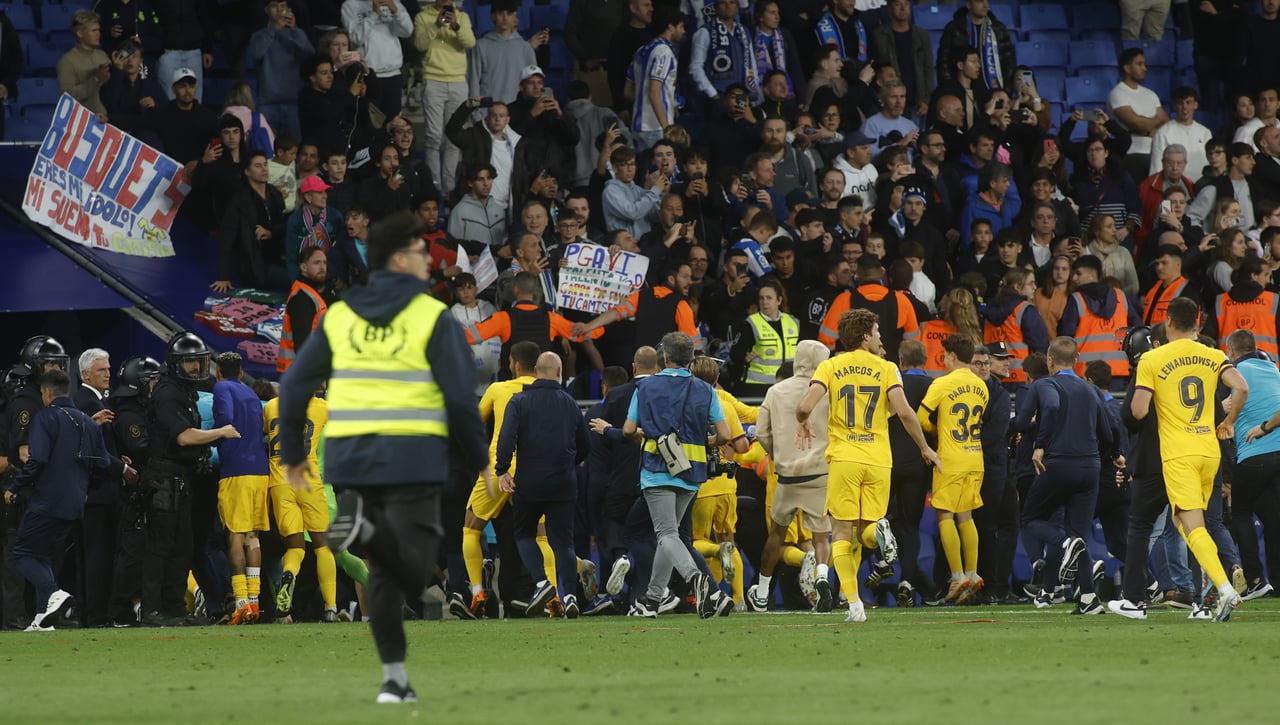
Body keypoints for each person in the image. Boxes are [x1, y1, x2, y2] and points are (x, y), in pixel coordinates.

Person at [277, 210, 489, 703]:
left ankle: (394, 676)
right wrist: (482, 459)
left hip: (351, 460)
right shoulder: (431, 317)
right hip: (410, 455)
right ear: (399, 258)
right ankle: (365, 533)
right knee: (416, 570)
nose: (427, 259)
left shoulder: (342, 314)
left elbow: (295, 384)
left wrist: (293, 453)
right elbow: (459, 399)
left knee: (385, 573)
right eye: (420, 251)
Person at [797, 309, 940, 622]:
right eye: (876, 332)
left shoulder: (830, 365)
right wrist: (925, 447)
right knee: (867, 533)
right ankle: (881, 534)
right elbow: (903, 412)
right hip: (878, 460)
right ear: (865, 336)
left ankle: (854, 604)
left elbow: (805, 405)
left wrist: (803, 421)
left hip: (845, 458)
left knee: (841, 534)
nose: (880, 337)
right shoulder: (887, 367)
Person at [1129, 297, 1249, 621]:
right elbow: (1241, 387)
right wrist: (1229, 423)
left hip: (1179, 454)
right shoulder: (1213, 355)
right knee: (1183, 522)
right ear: (1197, 322)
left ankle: (1224, 590)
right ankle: (1220, 587)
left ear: (1168, 322)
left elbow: (1138, 410)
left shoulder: (1153, 359)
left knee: (1191, 524)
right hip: (1209, 450)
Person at [5, 370, 131, 631]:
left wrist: (14, 487)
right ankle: (42, 618)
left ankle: (54, 593)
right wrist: (123, 469)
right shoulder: (86, 421)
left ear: (48, 393)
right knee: (42, 554)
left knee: (21, 554)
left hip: (47, 500)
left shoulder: (46, 418)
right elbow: (103, 461)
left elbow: (37, 460)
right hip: (76, 503)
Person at [621, 331, 727, 618]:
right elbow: (724, 434)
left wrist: (643, 436)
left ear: (664, 358)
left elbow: (629, 429)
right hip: (692, 473)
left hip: (657, 469)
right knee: (671, 538)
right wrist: (702, 443)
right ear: (690, 360)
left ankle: (698, 580)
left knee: (666, 534)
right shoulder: (706, 389)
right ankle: (652, 600)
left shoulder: (646, 387)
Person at [1016, 337, 1122, 614]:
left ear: (1049, 360)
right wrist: (1111, 454)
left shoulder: (1044, 384)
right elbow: (1109, 431)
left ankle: (1064, 544)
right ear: (1077, 361)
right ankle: (1089, 599)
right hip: (1090, 468)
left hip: (1058, 464)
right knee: (1080, 533)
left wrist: (1038, 442)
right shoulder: (1092, 390)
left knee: (1030, 519)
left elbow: (1035, 415)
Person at [143, 332, 237, 626]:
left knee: (183, 546)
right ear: (175, 365)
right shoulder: (168, 393)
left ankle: (174, 609)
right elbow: (184, 436)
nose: (197, 368)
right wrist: (220, 433)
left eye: (200, 362)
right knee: (161, 546)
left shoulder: (184, 393)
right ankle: (151, 610)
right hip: (163, 477)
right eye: (190, 363)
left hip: (180, 478)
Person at [496, 352, 590, 618]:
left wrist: (502, 469)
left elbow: (507, 437)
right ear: (560, 372)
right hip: (563, 482)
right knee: (563, 541)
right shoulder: (570, 403)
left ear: (536, 370)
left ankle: (541, 583)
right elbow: (585, 445)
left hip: (530, 481)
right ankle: (570, 595)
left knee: (524, 534)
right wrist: (569, 464)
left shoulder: (520, 401)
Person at [749, 340, 833, 612]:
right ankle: (821, 578)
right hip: (821, 472)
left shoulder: (776, 391)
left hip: (787, 476)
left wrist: (778, 453)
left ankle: (761, 592)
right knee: (821, 537)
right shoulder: (829, 392)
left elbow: (761, 433)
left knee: (776, 535)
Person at [917, 334, 989, 603]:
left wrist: (938, 431)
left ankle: (957, 576)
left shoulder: (942, 383)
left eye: (945, 355)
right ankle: (972, 572)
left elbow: (921, 417)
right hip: (975, 457)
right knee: (966, 517)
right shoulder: (982, 386)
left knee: (945, 515)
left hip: (951, 458)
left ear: (952, 356)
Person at [211, 353, 269, 625]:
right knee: (253, 537)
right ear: (242, 372)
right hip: (260, 471)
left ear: (218, 373)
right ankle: (255, 602)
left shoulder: (222, 388)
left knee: (234, 535)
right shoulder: (250, 393)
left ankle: (242, 602)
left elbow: (225, 419)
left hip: (236, 470)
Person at [1227, 330, 1280, 600]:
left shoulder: (1235, 372)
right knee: (1273, 520)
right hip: (1278, 454)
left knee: (1240, 513)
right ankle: (1277, 583)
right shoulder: (1273, 368)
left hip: (1253, 454)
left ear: (1232, 352)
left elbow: (1222, 408)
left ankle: (1255, 579)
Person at [414, 0, 476, 195]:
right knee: (433, 136)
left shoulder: (463, 17)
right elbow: (419, 44)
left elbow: (470, 43)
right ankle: (433, 186)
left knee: (453, 136)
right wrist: (436, 25)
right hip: (433, 80)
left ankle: (448, 187)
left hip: (458, 81)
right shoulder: (423, 17)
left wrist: (455, 25)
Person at [818, 255, 919, 360]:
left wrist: (835, 359)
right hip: (887, 370)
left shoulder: (845, 299)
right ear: (882, 273)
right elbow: (913, 343)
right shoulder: (901, 300)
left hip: (853, 370)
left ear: (857, 274)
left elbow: (826, 339)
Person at [1058, 255, 1138, 380]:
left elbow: (1065, 336)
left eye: (1078, 273)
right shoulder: (1120, 297)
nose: (1073, 278)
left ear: (1092, 274)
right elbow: (1138, 331)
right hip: (1118, 370)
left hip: (1085, 372)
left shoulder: (1077, 300)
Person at [249, 0, 313, 140]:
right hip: (266, 102)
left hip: (292, 102)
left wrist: (295, 30)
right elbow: (256, 53)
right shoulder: (259, 35)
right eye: (274, 6)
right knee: (264, 148)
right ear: (266, 9)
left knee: (293, 147)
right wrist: (273, 30)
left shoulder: (296, 34)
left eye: (282, 6)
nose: (279, 10)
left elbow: (310, 56)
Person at [627, 6, 687, 152]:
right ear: (670, 27)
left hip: (637, 125)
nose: (684, 31)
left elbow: (627, 92)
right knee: (662, 173)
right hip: (656, 127)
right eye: (681, 26)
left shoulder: (641, 50)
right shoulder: (664, 52)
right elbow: (654, 92)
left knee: (644, 173)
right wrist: (667, 128)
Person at [983, 269, 1049, 386]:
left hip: (991, 376)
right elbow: (1041, 346)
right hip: (1020, 377)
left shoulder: (989, 310)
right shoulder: (1025, 310)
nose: (1035, 287)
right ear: (1017, 287)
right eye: (1031, 283)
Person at [278, 247, 339, 374]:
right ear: (303, 267)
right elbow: (302, 343)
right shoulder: (302, 298)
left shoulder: (311, 292)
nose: (322, 267)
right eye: (317, 263)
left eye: (324, 263)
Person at [936, 0, 1015, 93]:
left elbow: (1009, 62)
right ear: (969, 4)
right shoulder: (954, 28)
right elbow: (943, 62)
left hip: (994, 90)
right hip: (962, 91)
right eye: (980, 1)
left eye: (987, 2)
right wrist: (949, 90)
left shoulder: (998, 28)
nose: (985, 5)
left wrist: (1006, 91)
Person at [56, 10, 112, 118]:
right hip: (84, 121)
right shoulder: (67, 61)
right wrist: (95, 79)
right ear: (80, 33)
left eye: (99, 30)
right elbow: (67, 97)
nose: (98, 34)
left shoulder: (102, 55)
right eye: (94, 30)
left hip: (107, 117)